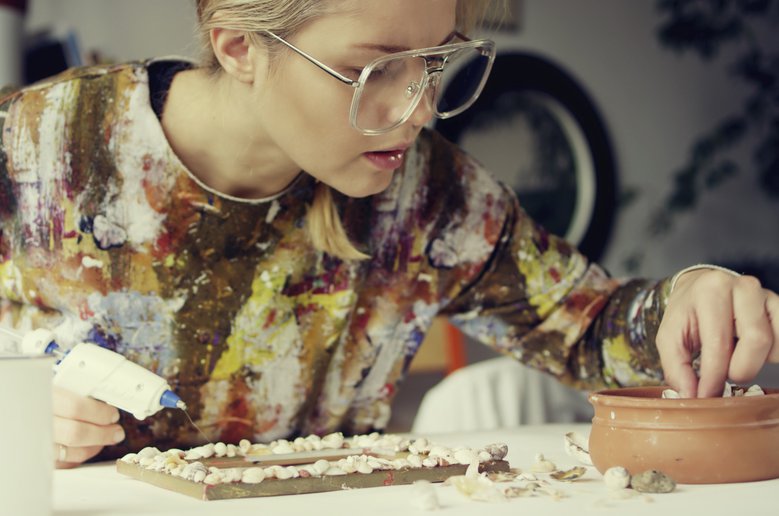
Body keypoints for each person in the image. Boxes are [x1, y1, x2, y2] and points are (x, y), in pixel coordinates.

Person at [0, 0, 776, 469]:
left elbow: (589, 330)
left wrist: (690, 296)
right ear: (238, 46)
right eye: (376, 70)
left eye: (433, 61)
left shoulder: (431, 194)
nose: (420, 109)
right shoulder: (34, 147)